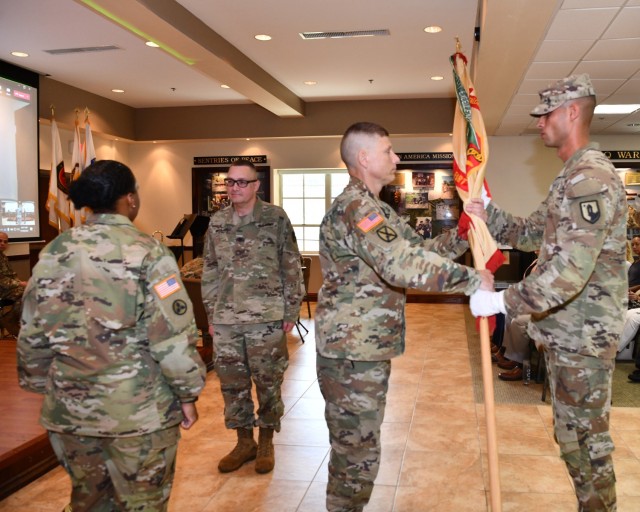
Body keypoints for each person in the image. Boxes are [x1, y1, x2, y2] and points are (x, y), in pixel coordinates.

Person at [315, 122, 494, 512]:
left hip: (363, 349)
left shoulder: (376, 207)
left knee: (359, 447)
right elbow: (401, 265)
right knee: (355, 454)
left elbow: (420, 249)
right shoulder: (357, 209)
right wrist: (471, 280)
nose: (396, 158)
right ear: (364, 158)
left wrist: (464, 233)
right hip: (351, 354)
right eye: (389, 150)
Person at [470, 74, 626, 511]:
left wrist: (501, 300)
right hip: (567, 334)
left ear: (573, 112)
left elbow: (569, 274)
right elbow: (530, 232)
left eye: (546, 114)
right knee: (573, 438)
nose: (538, 122)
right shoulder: (570, 177)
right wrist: (488, 212)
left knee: (586, 443)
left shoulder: (589, 179)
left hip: (583, 336)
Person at [17, 160, 206, 512]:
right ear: (130, 199)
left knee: (87, 501)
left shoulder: (54, 252)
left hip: (70, 415)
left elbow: (32, 332)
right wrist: (187, 393)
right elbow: (171, 338)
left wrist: (45, 384)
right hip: (137, 418)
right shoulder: (149, 254)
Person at [201, 159, 303, 474]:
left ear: (256, 185)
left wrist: (291, 309)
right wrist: (211, 312)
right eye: (230, 182)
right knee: (232, 385)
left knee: (268, 382)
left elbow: (290, 264)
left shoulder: (275, 218)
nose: (234, 187)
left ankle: (267, 441)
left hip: (266, 319)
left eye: (241, 182)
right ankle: (244, 442)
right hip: (227, 320)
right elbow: (211, 269)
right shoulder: (217, 222)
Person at [0, 231, 27, 336]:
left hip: (8, 287)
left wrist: (21, 282)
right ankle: (9, 318)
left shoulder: (3, 257)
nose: (2, 243)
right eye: (0, 241)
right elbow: (2, 281)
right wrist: (21, 284)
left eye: (5, 242)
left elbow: (11, 275)